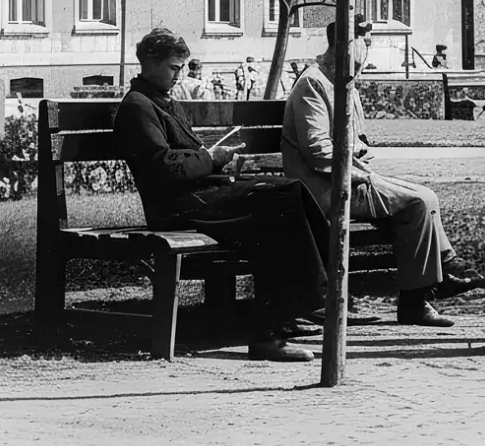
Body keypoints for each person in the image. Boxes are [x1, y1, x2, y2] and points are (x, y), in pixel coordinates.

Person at [115, 28, 328, 362]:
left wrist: (215, 163)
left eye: (182, 68)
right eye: (173, 68)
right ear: (150, 63)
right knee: (278, 204)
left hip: (200, 197)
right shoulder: (137, 107)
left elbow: (183, 159)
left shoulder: (161, 101)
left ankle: (300, 307)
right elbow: (163, 168)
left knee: (290, 191)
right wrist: (210, 159)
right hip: (177, 209)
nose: (179, 75)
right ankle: (277, 326)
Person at [282, 21, 484, 327]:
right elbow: (318, 151)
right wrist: (358, 170)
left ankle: (436, 279)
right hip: (325, 188)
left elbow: (354, 140)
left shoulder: (342, 83)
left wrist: (359, 152)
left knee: (419, 203)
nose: (360, 68)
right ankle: (431, 285)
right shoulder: (314, 83)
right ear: (338, 50)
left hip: (348, 178)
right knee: (420, 202)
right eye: (357, 56)